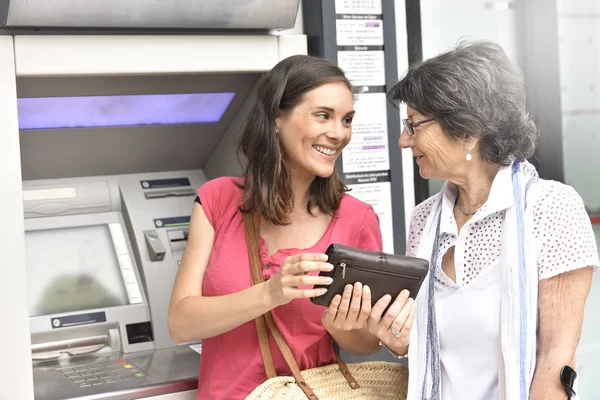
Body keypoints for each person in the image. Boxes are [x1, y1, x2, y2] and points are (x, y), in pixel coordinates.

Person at [167, 55, 415, 400]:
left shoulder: (357, 219)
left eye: (347, 120)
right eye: (323, 116)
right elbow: (180, 323)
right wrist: (272, 292)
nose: (339, 133)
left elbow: (365, 344)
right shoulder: (217, 200)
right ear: (276, 118)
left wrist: (340, 326)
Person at [386, 40, 599, 400]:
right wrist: (396, 338)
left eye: (414, 125)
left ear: (468, 130)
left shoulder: (552, 208)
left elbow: (555, 362)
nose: (403, 141)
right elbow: (427, 348)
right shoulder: (424, 221)